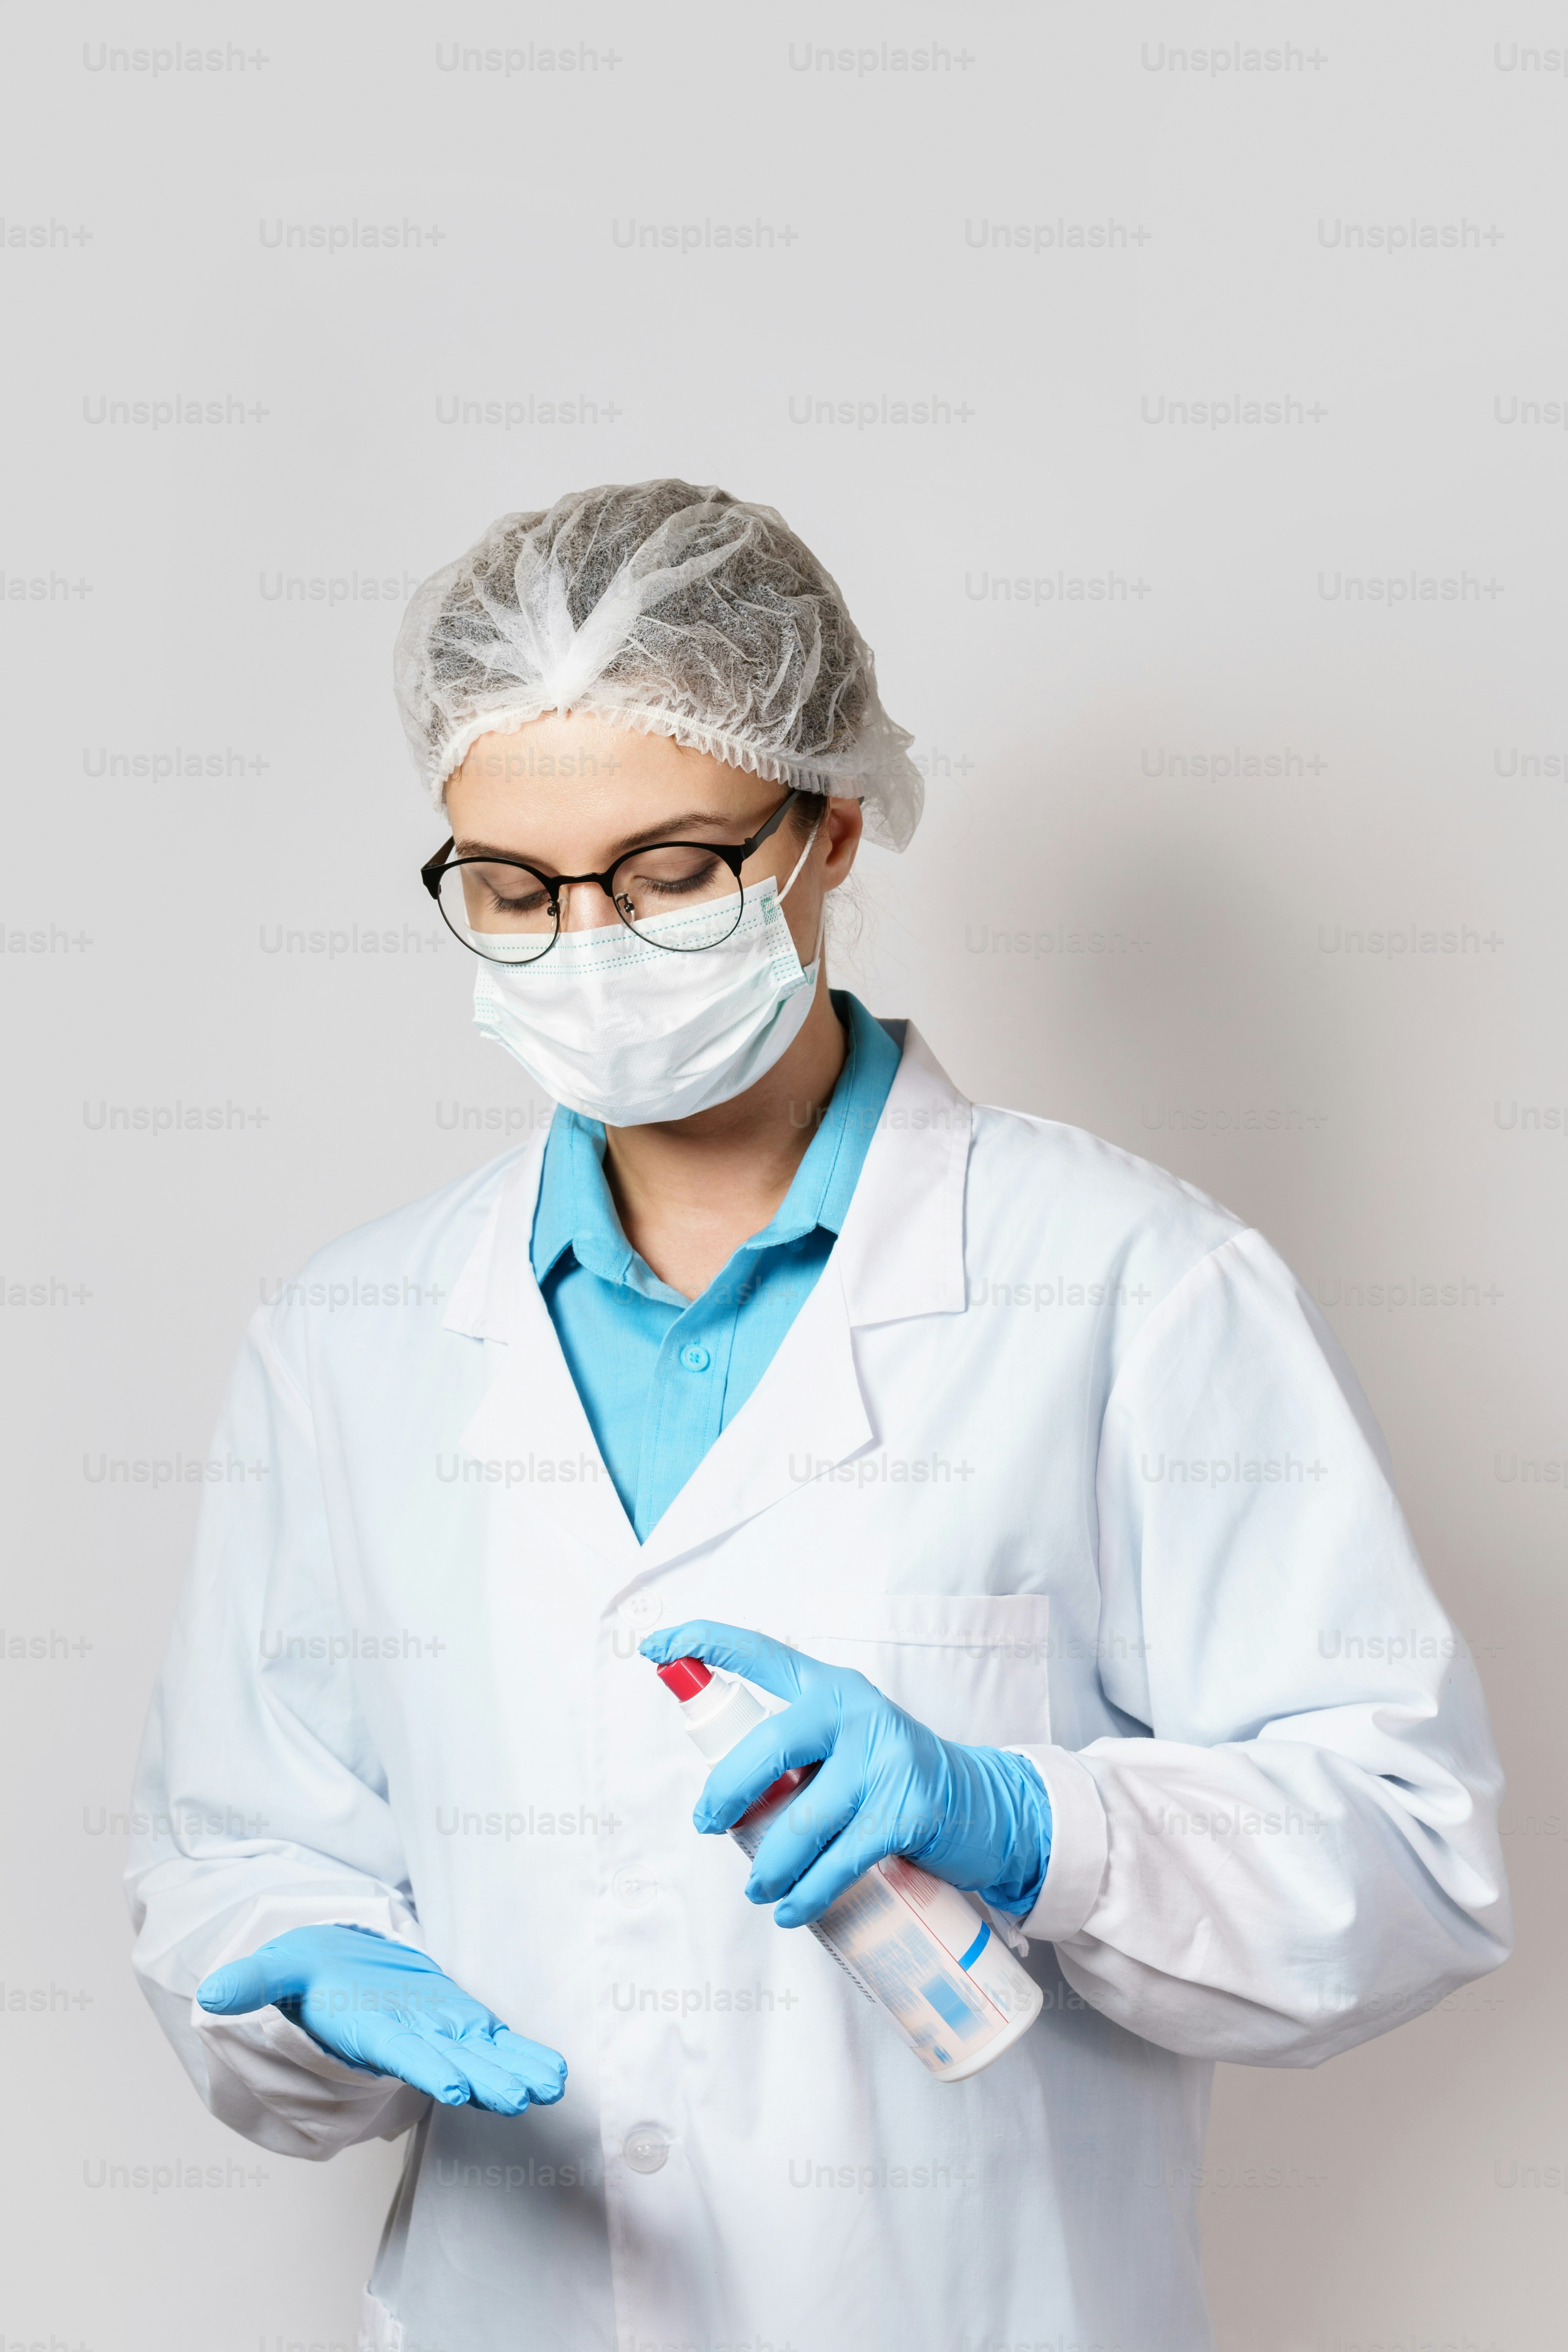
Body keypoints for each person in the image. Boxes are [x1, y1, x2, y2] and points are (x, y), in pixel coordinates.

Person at [127, 480, 1511, 2352]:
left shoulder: (1128, 1284)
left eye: (672, 869)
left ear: (832, 825)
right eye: (516, 891)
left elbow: (1406, 1855)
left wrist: (1031, 1823)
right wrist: (287, 1969)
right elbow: (235, 1852)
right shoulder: (350, 1339)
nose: (587, 943)